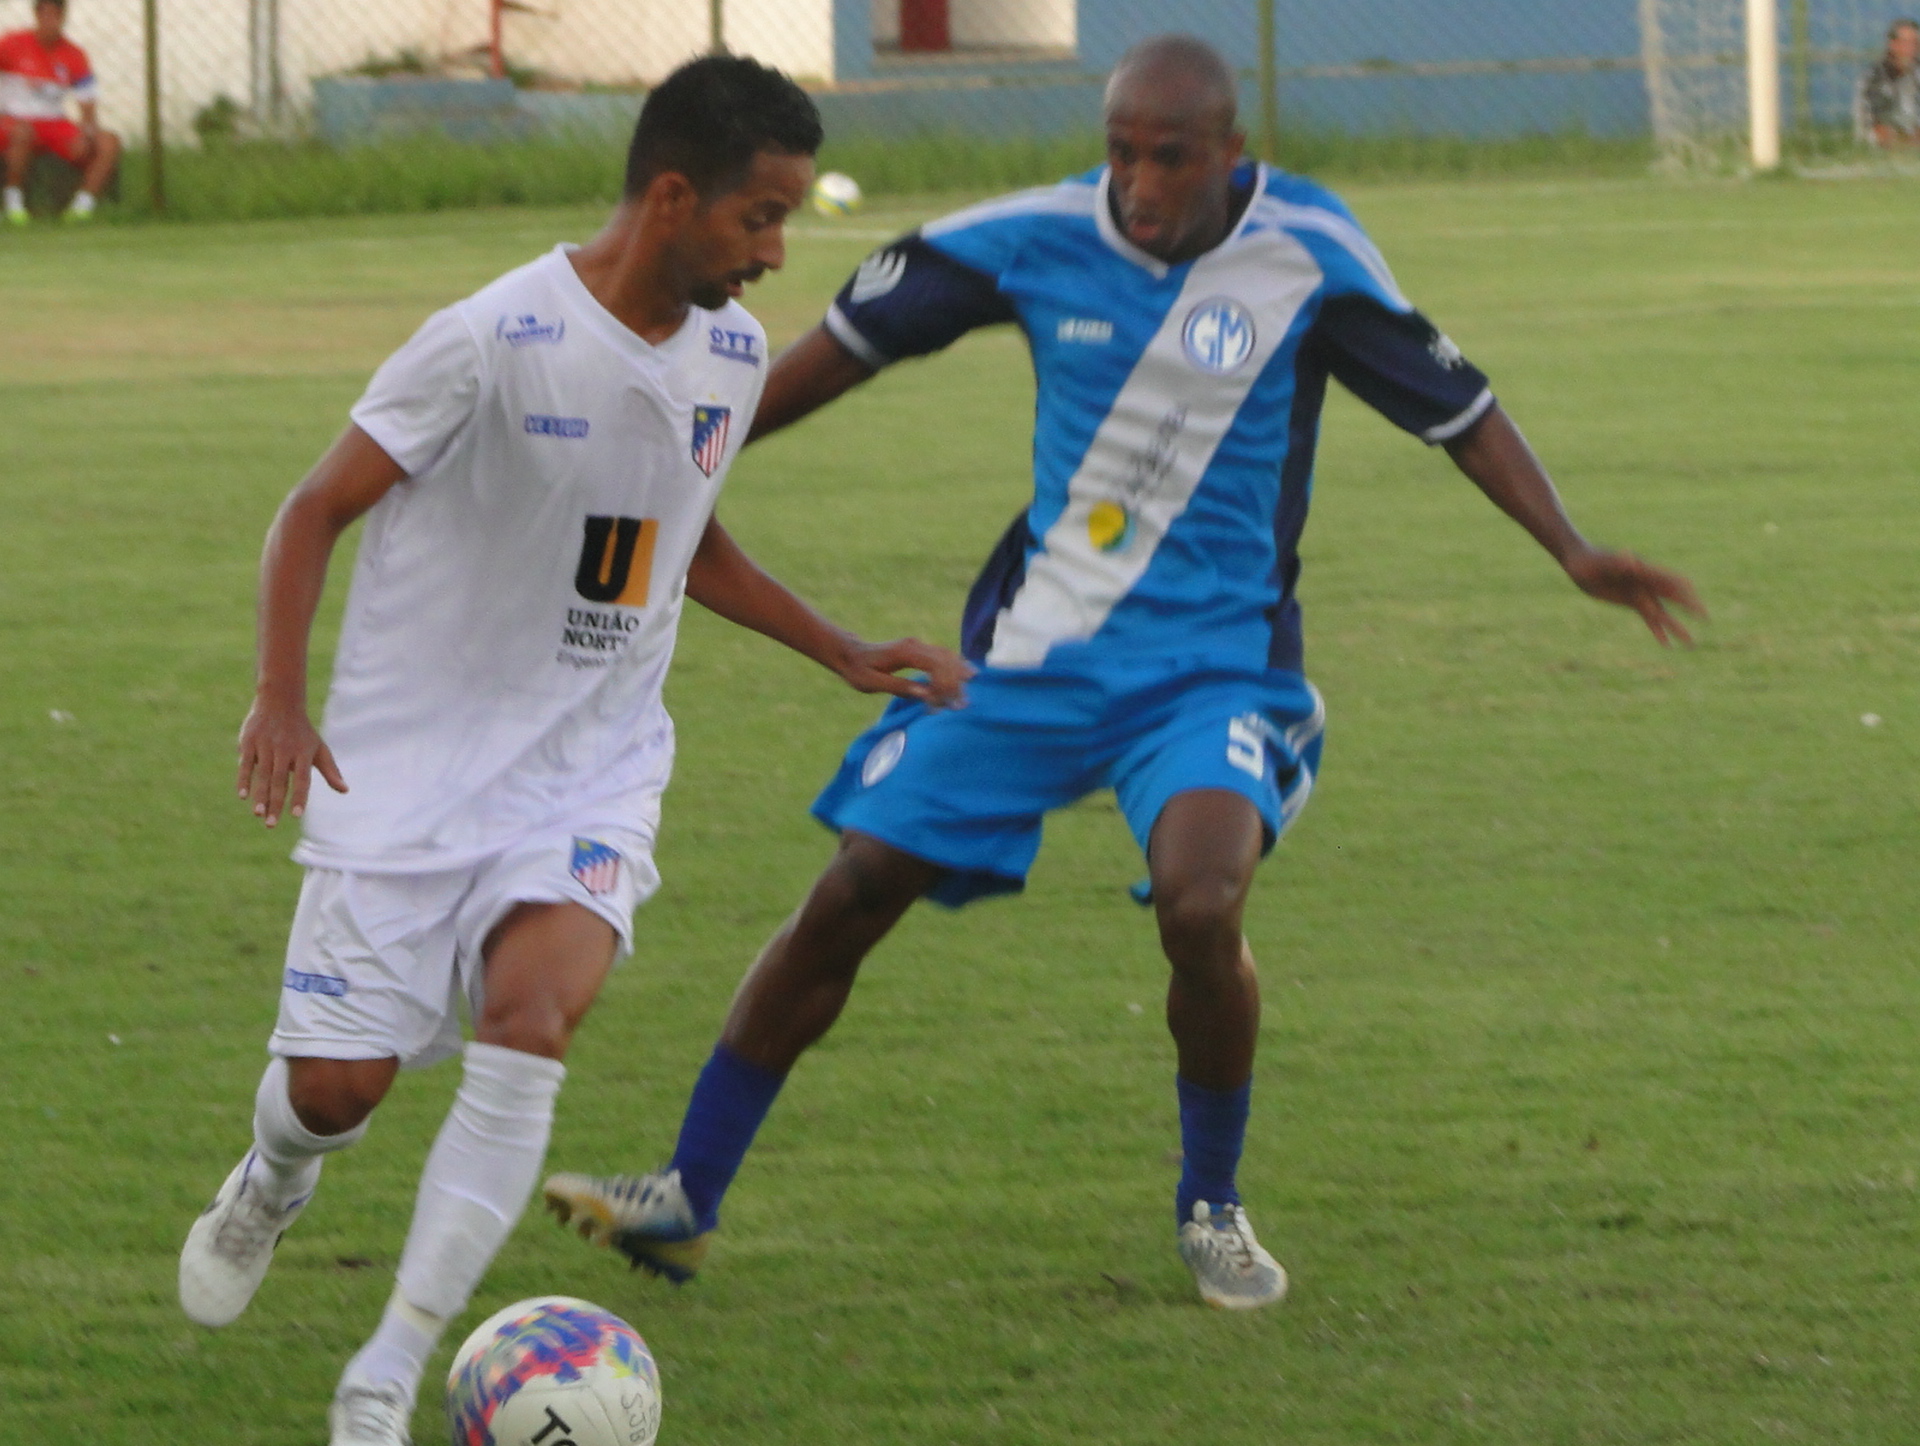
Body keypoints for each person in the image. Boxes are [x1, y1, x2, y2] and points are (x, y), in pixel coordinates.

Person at [543, 34, 1704, 1312]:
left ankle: (1209, 1205)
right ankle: (685, 1197)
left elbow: (1459, 413)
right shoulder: (1030, 237)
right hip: (1031, 665)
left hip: (1215, 675)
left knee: (1199, 906)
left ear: (1228, 154)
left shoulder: (1309, 254)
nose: (1138, 184)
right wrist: (661, 452)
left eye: (1169, 157)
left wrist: (1571, 547)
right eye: (1119, 153)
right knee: (853, 890)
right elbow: (829, 358)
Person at [174, 54, 969, 1446]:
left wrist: (835, 647)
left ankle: (386, 1375)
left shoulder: (726, 356)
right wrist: (279, 700)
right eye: (761, 218)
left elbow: (676, 536)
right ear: (673, 196)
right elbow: (311, 510)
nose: (779, 252)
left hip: (589, 773)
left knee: (533, 1022)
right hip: (406, 784)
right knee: (336, 1095)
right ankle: (272, 1178)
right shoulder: (488, 340)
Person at [0, 0, 119, 224]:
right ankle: (13, 204)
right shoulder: (11, 43)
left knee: (109, 142)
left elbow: (88, 104)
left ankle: (81, 209)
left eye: (56, 15)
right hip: (13, 123)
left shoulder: (74, 54)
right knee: (22, 132)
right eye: (45, 14)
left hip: (55, 125)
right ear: (36, 15)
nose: (51, 21)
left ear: (64, 17)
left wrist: (86, 131)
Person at [1856, 18, 1920, 147]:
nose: (1911, 48)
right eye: (1905, 42)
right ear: (1892, 44)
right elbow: (1877, 125)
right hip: (1884, 142)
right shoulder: (1874, 78)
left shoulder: (1916, 73)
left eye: (1915, 43)